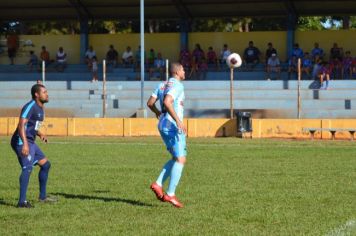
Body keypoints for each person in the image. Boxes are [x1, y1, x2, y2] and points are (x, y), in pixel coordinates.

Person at [10, 84, 56, 208]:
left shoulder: (40, 107)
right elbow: (21, 125)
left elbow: (32, 126)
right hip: (21, 140)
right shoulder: (30, 106)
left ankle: (42, 196)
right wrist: (24, 144)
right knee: (27, 168)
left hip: (30, 141)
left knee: (46, 165)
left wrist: (40, 134)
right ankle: (22, 202)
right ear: (37, 95)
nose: (47, 94)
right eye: (44, 92)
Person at [149, 62, 187, 208]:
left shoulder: (162, 84)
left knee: (175, 158)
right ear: (177, 72)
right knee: (181, 159)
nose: (185, 71)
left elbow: (150, 102)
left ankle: (158, 184)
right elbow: (167, 101)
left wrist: (158, 113)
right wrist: (178, 121)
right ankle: (170, 194)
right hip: (172, 126)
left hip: (163, 124)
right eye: (183, 69)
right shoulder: (177, 85)